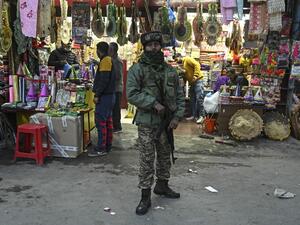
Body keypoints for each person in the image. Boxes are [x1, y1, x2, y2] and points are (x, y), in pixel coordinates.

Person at [126, 31, 185, 215]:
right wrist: (153, 103)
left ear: (161, 46)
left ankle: (162, 186)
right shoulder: (137, 69)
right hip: (147, 123)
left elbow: (180, 96)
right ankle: (145, 196)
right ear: (144, 47)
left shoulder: (170, 71)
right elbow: (132, 94)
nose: (153, 48)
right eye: (150, 45)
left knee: (165, 157)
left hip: (166, 123)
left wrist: (177, 117)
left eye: (156, 45)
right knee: (146, 159)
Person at [88, 42, 115, 157]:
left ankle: (101, 148)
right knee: (107, 122)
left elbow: (104, 80)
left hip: (105, 97)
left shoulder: (105, 61)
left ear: (99, 50)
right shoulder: (107, 60)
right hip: (109, 96)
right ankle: (107, 146)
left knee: (101, 123)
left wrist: (97, 95)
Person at [176, 54, 205, 124]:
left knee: (199, 98)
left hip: (198, 80)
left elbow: (197, 64)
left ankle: (202, 116)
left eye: (176, 58)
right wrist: (184, 85)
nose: (176, 60)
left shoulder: (187, 59)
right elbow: (185, 75)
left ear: (179, 56)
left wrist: (195, 76)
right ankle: (194, 115)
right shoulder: (182, 65)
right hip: (192, 83)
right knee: (192, 99)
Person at [109, 42, 123, 133]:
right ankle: (115, 125)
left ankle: (117, 127)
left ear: (113, 51)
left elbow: (118, 75)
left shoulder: (117, 61)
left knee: (116, 109)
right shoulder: (112, 59)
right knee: (114, 108)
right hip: (114, 88)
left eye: (109, 49)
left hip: (117, 88)